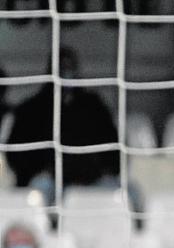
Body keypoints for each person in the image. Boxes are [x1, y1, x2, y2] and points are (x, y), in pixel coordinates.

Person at [6, 49, 120, 200]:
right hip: (47, 180)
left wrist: (103, 169)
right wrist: (37, 170)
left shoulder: (94, 107)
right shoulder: (31, 110)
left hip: (91, 178)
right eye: (61, 67)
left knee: (125, 192)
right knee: (38, 193)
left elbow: (112, 145)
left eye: (69, 67)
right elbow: (16, 153)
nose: (66, 72)